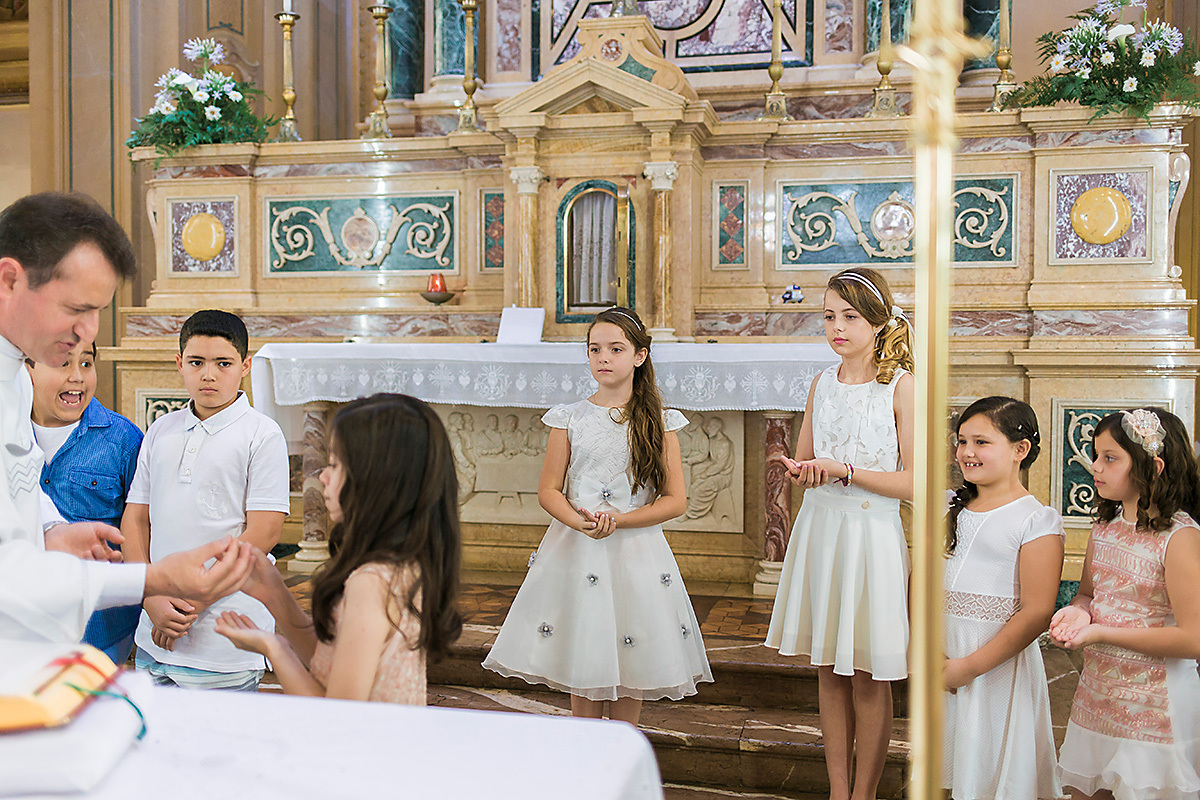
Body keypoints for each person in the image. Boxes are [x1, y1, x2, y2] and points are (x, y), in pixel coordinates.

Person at [0, 191, 253, 644]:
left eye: (98, 311)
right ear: (8, 280)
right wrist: (150, 581)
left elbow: (14, 478)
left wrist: (50, 530)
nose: (89, 332)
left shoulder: (17, 377)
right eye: (76, 309)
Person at [482, 307, 712, 725]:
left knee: (634, 661)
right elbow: (549, 490)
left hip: (636, 551)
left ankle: (622, 761)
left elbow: (675, 500)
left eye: (616, 349)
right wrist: (579, 522)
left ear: (640, 356)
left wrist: (620, 521)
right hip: (577, 547)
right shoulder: (568, 418)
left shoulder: (660, 423)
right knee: (584, 660)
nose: (603, 357)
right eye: (595, 349)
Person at [764, 267, 914, 800]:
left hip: (870, 534)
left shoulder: (900, 386)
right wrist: (800, 469)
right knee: (828, 667)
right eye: (828, 316)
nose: (837, 327)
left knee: (869, 671)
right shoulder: (821, 383)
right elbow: (807, 459)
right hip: (822, 529)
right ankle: (837, 789)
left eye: (849, 316)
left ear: (877, 322)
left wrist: (845, 470)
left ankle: (865, 794)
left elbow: (916, 481)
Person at [215, 393, 463, 703]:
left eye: (334, 464)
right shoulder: (403, 561)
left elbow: (339, 713)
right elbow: (329, 663)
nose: (323, 476)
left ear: (374, 480)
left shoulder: (371, 583)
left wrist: (274, 648)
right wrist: (274, 594)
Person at [122, 310, 290, 691]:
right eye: (196, 362)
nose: (208, 374)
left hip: (224, 635)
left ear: (245, 366)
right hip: (156, 630)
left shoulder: (261, 435)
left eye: (223, 363)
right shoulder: (160, 430)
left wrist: (194, 598)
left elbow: (264, 531)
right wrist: (149, 596)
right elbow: (135, 520)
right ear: (180, 364)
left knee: (217, 748)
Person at [1051, 407, 1200, 800]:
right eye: (1095, 455)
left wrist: (1100, 632)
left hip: (1155, 704)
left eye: (1109, 458)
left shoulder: (1179, 537)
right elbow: (1088, 592)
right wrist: (1077, 610)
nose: (1094, 466)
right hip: (1098, 695)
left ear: (1153, 466)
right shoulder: (1104, 527)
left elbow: (1193, 639)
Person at [942, 397, 1064, 800]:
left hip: (995, 664)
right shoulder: (949, 506)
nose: (967, 452)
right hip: (944, 656)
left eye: (981, 442)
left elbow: (1037, 611)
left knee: (993, 769)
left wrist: (970, 666)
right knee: (949, 767)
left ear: (1020, 450)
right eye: (962, 441)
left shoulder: (1035, 519)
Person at [26, 340, 144, 663]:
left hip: (98, 632)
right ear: (27, 368)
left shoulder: (123, 440)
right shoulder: (10, 432)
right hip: (20, 627)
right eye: (63, 364)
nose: (77, 376)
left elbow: (145, 529)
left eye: (86, 363)